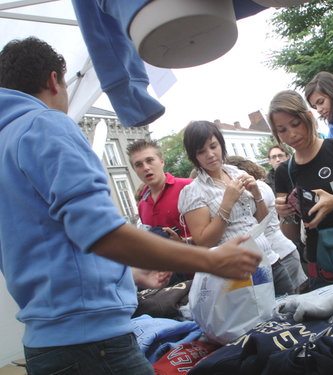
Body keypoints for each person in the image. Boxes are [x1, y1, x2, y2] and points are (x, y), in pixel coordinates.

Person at [0, 37, 261, 375]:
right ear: (54, 80)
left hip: (46, 346)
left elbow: (48, 241)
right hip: (94, 345)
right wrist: (211, 260)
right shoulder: (44, 124)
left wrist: (126, 272)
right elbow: (100, 232)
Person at [179, 121, 298, 295]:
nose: (210, 154)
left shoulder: (235, 172)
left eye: (213, 146)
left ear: (221, 144)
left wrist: (257, 194)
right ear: (194, 156)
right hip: (240, 272)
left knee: (294, 312)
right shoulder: (193, 191)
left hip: (270, 259)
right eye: (201, 151)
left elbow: (263, 222)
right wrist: (227, 203)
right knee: (263, 320)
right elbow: (204, 242)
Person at [268, 90, 333, 290]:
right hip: (323, 268)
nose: (292, 134)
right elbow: (291, 236)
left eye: (295, 124)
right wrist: (286, 214)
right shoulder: (284, 172)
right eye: (282, 130)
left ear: (308, 115)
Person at [226, 155, 308, 293]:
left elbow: (255, 220)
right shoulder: (259, 186)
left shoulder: (257, 188)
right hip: (281, 250)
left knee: (292, 302)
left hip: (281, 253)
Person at [127, 139, 192, 241]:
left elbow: (213, 233)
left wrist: (183, 242)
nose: (146, 167)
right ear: (134, 170)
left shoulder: (188, 186)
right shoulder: (142, 204)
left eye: (149, 160)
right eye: (139, 165)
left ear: (162, 162)